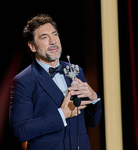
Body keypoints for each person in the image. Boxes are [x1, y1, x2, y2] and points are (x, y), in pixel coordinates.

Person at [9, 14, 102, 150]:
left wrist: (94, 98)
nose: (53, 41)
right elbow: (21, 130)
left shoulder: (76, 70)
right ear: (32, 46)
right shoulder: (23, 81)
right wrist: (61, 114)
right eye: (44, 37)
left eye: (55, 34)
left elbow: (92, 122)